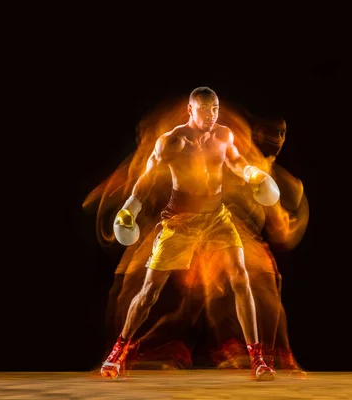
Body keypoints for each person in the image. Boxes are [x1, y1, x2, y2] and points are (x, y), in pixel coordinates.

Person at [100, 86, 280, 381]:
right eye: (205, 109)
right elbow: (147, 180)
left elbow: (234, 161)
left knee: (240, 277)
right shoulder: (171, 141)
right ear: (190, 110)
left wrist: (251, 174)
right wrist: (129, 209)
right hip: (179, 222)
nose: (211, 115)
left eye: (215, 109)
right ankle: (117, 353)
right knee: (149, 293)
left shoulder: (223, 135)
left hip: (216, 218)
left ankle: (258, 360)